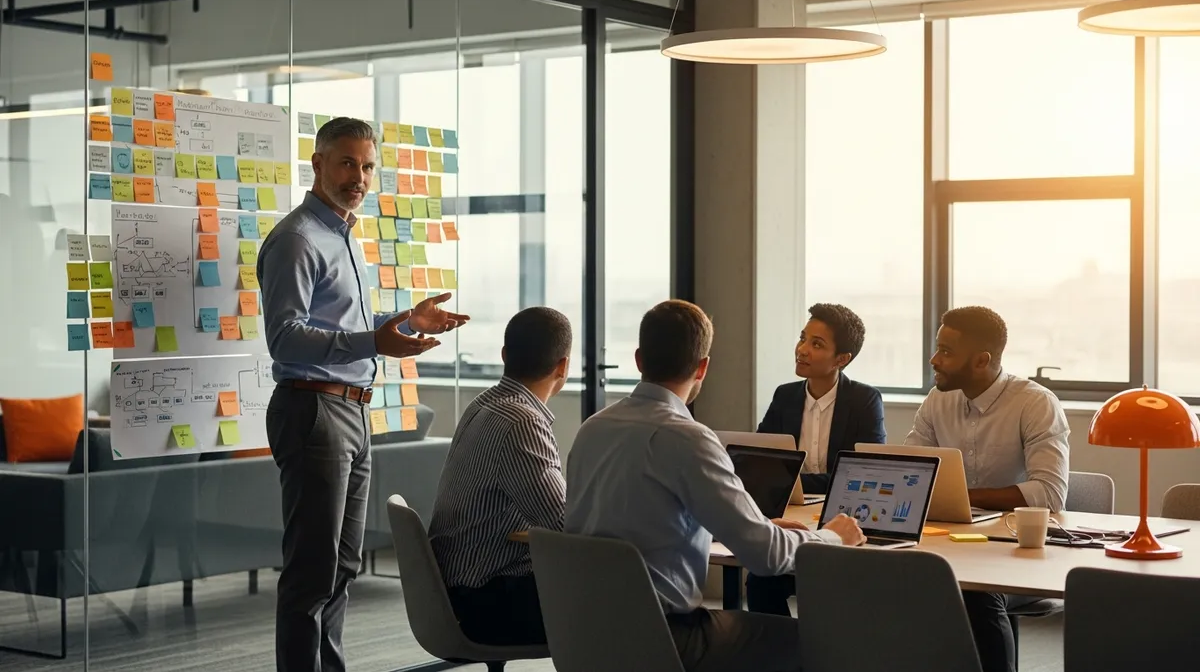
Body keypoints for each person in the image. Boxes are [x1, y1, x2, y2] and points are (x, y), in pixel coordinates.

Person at [258, 116, 470, 672]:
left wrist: (401, 320)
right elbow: (284, 336)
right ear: (319, 165)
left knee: (343, 565)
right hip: (313, 407)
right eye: (348, 162)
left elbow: (346, 324)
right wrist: (373, 339)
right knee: (312, 569)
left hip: (351, 409)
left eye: (368, 165)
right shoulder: (299, 239)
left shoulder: (344, 236)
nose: (359, 175)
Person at [565, 299, 865, 672]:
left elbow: (649, 518)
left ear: (640, 359)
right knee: (825, 642)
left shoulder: (592, 429)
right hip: (666, 639)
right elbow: (766, 557)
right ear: (703, 367)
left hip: (582, 634)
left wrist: (761, 526)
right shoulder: (688, 438)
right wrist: (833, 536)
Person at [904, 305, 1069, 672]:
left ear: (982, 361)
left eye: (946, 352)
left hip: (1017, 554)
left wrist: (962, 497)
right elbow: (910, 469)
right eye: (937, 347)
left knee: (975, 595)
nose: (934, 359)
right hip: (947, 543)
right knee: (895, 580)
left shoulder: (1035, 402)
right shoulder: (937, 400)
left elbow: (1050, 493)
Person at [428, 306, 573, 646]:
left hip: (453, 590)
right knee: (625, 603)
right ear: (563, 366)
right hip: (486, 600)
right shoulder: (521, 421)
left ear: (505, 355)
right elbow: (563, 525)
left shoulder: (483, 404)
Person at [747, 302, 886, 616]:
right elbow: (761, 460)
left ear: (842, 359)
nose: (802, 350)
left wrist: (795, 481)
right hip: (792, 515)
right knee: (760, 578)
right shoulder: (785, 395)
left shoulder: (864, 400)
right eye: (802, 338)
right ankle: (780, 653)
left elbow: (862, 474)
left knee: (828, 585)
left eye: (816, 344)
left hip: (844, 516)